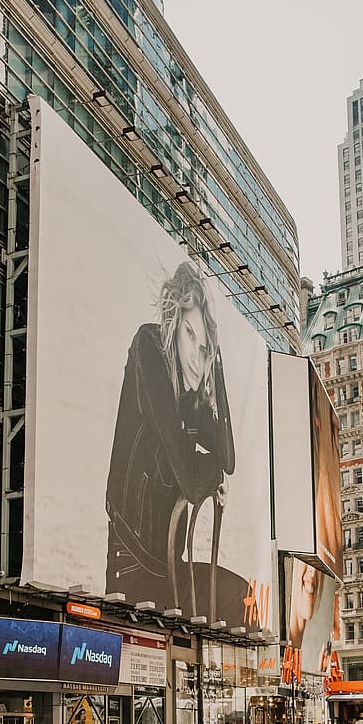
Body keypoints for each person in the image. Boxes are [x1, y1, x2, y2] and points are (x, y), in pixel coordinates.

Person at [105, 260, 236, 618]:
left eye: (204, 348)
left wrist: (217, 365)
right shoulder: (148, 349)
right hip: (132, 563)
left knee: (242, 598)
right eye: (190, 335)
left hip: (168, 565)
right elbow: (194, 482)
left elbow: (229, 456)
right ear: (174, 325)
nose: (197, 356)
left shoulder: (190, 395)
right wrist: (214, 476)